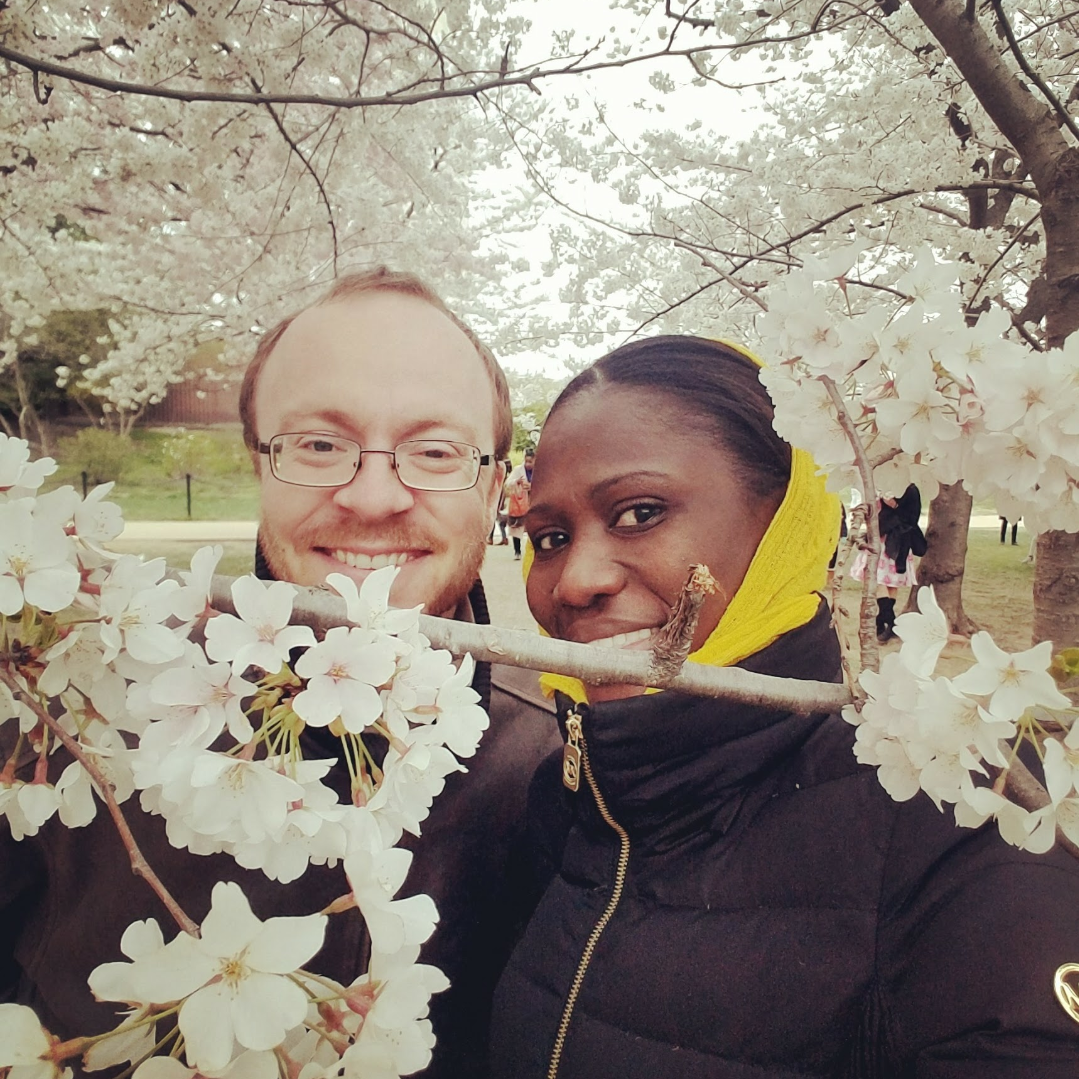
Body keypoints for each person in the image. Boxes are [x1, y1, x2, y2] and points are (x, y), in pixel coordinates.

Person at [1, 268, 560, 1079]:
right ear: (259, 460)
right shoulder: (68, 703)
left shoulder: (554, 760)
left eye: (434, 451)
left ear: (492, 483)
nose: (373, 495)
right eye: (319, 445)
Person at [489, 336, 1079, 1078]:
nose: (573, 581)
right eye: (548, 536)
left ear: (787, 522)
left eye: (639, 512)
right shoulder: (566, 801)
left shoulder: (962, 812)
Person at [851, 484, 927, 642]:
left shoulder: (910, 489)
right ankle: (884, 623)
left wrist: (895, 505)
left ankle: (889, 624)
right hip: (878, 538)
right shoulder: (878, 486)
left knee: (883, 582)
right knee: (882, 582)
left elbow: (911, 518)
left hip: (896, 543)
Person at [505, 448, 535, 560]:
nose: (527, 464)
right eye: (526, 461)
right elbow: (508, 483)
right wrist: (516, 482)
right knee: (517, 527)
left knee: (533, 526)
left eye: (530, 461)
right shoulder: (518, 469)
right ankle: (517, 551)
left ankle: (534, 550)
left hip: (533, 502)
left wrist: (532, 486)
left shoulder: (540, 470)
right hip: (520, 502)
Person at [489, 458, 512, 544]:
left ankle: (500, 538)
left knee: (497, 520)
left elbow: (502, 494)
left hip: (499, 502)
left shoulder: (501, 480)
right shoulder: (508, 479)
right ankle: (500, 537)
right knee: (498, 520)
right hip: (503, 503)